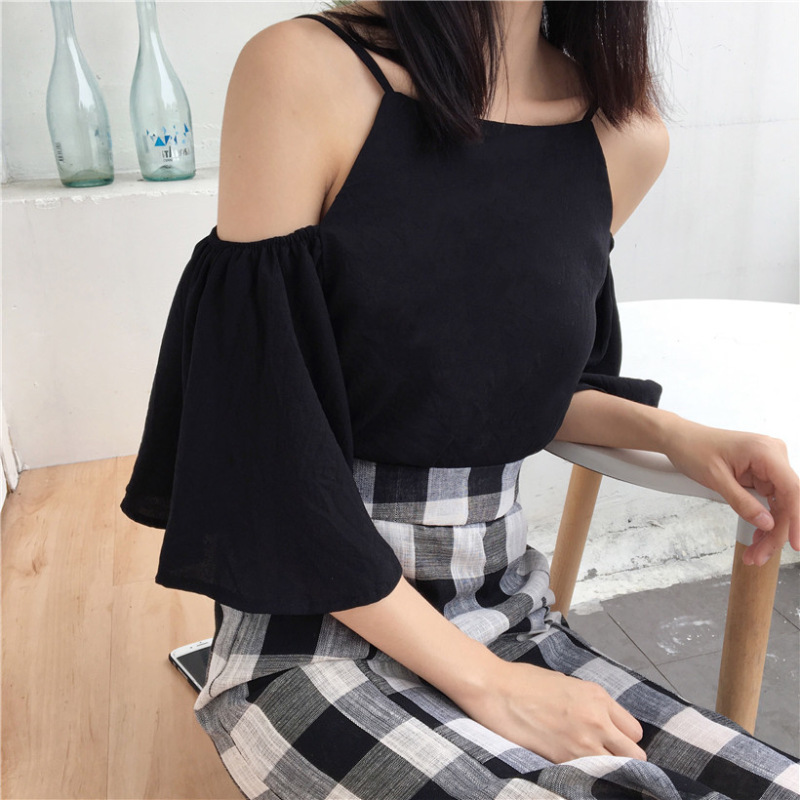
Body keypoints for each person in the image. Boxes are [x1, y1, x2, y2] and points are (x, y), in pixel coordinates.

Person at [120, 2, 800, 798]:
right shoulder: (305, 71)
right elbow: (262, 444)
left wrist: (674, 433)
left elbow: (485, 384)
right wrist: (489, 685)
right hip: (307, 627)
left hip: (504, 615)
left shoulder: (623, 137)